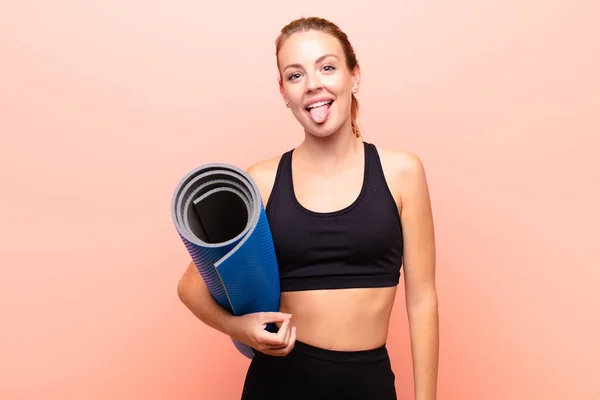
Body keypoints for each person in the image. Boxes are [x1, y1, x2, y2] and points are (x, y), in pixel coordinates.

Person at [177, 16, 439, 400]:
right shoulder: (262, 182)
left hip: (369, 384)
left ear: (355, 75)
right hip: (279, 383)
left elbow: (422, 300)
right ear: (283, 91)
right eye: (295, 75)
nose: (313, 84)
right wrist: (239, 328)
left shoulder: (403, 173)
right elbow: (190, 288)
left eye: (327, 67)